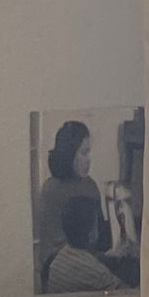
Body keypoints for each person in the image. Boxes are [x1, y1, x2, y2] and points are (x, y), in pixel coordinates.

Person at [36, 119, 109, 287]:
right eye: (84, 152)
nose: (89, 159)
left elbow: (100, 236)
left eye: (89, 152)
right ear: (69, 153)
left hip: (91, 263)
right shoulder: (51, 190)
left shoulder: (90, 185)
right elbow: (50, 253)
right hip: (62, 271)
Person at [45, 194, 126, 296]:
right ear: (91, 233)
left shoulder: (59, 258)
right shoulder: (96, 273)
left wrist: (106, 257)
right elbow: (131, 296)